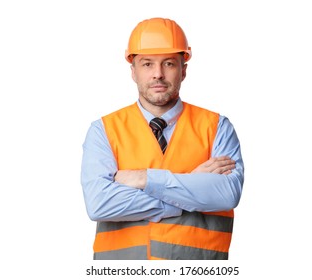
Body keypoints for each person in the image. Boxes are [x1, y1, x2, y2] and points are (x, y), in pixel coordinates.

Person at [81, 17, 244, 260]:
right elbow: (100, 204)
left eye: (169, 63)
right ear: (133, 71)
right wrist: (191, 187)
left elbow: (227, 194)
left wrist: (144, 179)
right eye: (147, 64)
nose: (158, 74)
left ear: (184, 70)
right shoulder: (103, 130)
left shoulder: (217, 127)